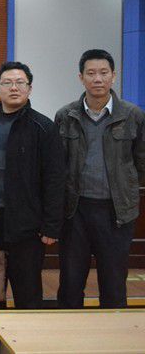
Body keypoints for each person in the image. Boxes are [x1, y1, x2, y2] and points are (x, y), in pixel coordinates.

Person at [55, 49, 145, 309]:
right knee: (70, 283)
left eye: (104, 73)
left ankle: (113, 333)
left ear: (113, 76)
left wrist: (125, 189)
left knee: (114, 283)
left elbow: (141, 162)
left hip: (116, 213)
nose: (98, 79)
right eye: (91, 73)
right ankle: (69, 333)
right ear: (81, 77)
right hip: (75, 211)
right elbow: (57, 166)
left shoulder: (132, 115)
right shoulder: (66, 116)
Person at [0, 62, 66, 309]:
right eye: (7, 82)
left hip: (27, 226)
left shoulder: (43, 127)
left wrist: (51, 225)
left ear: (29, 89)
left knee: (28, 294)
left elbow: (55, 179)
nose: (14, 88)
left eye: (20, 83)